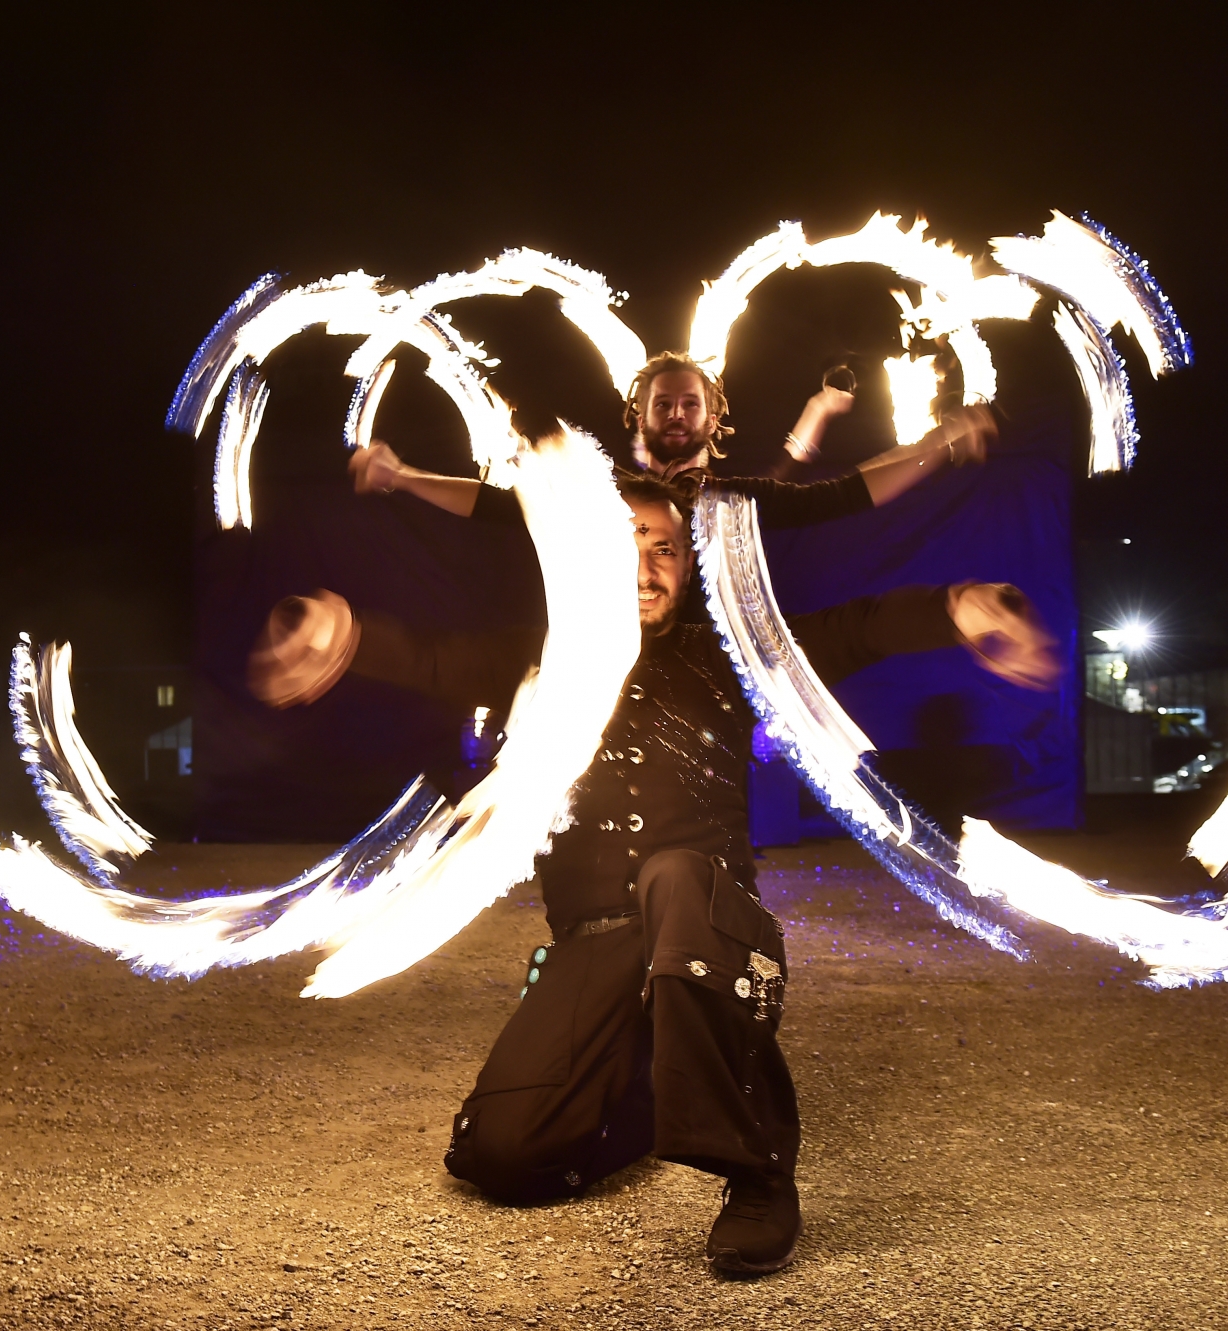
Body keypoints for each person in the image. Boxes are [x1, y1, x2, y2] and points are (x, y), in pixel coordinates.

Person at [245, 469, 1056, 1275]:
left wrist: (956, 606)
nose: (645, 565)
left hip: (711, 931)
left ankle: (758, 1174)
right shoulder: (542, 662)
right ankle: (652, 1098)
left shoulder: (730, 656)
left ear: (687, 562)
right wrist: (345, 630)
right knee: (502, 1155)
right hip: (597, 943)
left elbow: (862, 626)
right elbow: (428, 657)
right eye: (623, 546)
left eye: (663, 547)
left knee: (674, 874)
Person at [345, 349, 987, 518]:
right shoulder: (606, 499)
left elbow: (847, 494)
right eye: (663, 405)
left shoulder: (740, 504)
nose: (676, 414)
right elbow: (500, 509)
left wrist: (933, 446)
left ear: (713, 418)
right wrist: (401, 476)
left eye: (689, 404)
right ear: (640, 417)